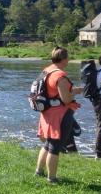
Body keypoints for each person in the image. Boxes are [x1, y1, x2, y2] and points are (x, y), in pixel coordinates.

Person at [34, 47, 82, 183]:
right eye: (68, 57)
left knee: (48, 144)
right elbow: (66, 99)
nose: (69, 60)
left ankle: (39, 171)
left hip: (47, 113)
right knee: (55, 147)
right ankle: (52, 178)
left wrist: (70, 89)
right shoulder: (60, 76)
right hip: (59, 116)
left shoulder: (47, 70)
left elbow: (51, 90)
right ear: (64, 59)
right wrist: (76, 91)